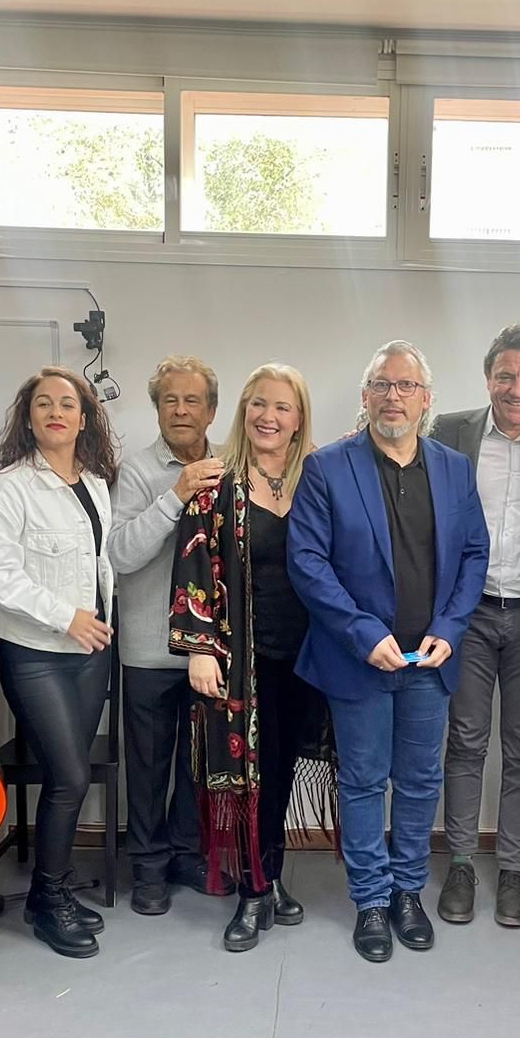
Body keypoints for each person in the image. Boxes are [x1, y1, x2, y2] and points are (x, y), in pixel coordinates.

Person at [287, 340, 489, 963]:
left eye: (405, 386)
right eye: (381, 385)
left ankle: (408, 891)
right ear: (366, 396)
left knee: (422, 779)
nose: (393, 396)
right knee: (365, 781)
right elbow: (307, 560)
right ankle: (371, 899)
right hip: (359, 659)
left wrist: (451, 629)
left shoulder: (454, 468)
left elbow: (475, 554)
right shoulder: (328, 468)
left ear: (427, 400)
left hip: (429, 660)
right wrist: (361, 632)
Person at [169, 363, 326, 951]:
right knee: (244, 780)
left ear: (299, 419)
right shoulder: (215, 484)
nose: (269, 416)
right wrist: (200, 648)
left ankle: (272, 876)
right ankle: (253, 893)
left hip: (306, 658)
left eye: (282, 407)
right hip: (238, 661)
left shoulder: (318, 481)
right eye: (259, 403)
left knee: (281, 771)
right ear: (243, 411)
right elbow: (192, 565)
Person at [0, 367, 119, 958]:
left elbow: (100, 563)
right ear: (27, 417)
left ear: (84, 418)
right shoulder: (7, 488)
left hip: (89, 654)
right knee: (71, 777)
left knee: (68, 776)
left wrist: (98, 619)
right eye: (43, 403)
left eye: (68, 403)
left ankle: (45, 893)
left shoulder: (96, 483)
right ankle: (47, 899)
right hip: (36, 654)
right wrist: (67, 616)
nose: (56, 411)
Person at [434, 324, 520, 928]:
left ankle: (513, 871)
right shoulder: (450, 432)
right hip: (468, 613)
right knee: (465, 741)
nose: (517, 389)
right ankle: (461, 861)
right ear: (488, 377)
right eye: (505, 376)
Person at [110, 355, 225, 914]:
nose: (181, 410)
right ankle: (148, 867)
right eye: (169, 401)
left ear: (211, 410)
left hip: (211, 653)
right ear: (156, 408)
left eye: (192, 400)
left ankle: (186, 853)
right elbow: (122, 555)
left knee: (198, 764)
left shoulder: (231, 467)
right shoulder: (136, 471)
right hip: (150, 651)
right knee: (149, 766)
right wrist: (175, 494)